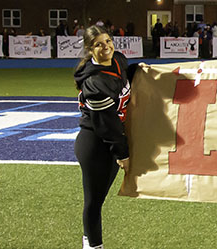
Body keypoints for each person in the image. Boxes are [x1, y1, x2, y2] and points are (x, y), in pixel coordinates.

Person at [72, 25, 140, 249]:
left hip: (112, 135)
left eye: (108, 41)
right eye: (99, 44)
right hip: (95, 142)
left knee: (98, 198)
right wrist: (122, 153)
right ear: (90, 49)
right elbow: (106, 124)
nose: (106, 47)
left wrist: (141, 70)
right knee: (94, 201)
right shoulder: (95, 83)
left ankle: (88, 240)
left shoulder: (118, 59)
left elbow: (124, 76)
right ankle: (93, 245)